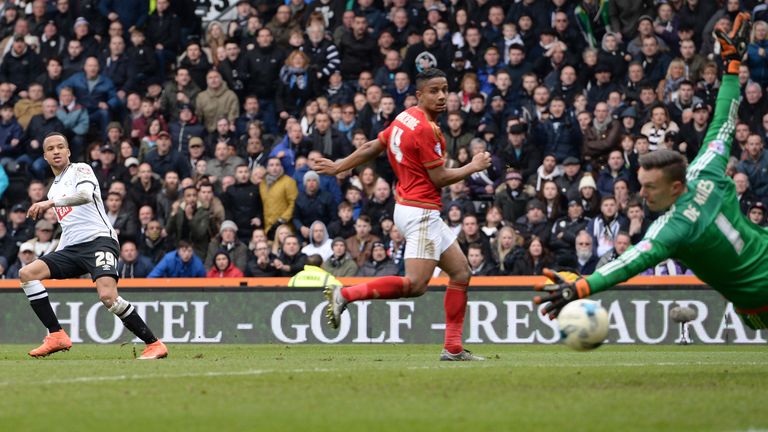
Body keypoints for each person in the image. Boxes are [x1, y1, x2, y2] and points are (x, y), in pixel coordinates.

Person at [536, 15, 768, 331]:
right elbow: (725, 121)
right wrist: (730, 68)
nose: (642, 194)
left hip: (759, 298)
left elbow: (630, 262)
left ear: (675, 187)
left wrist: (582, 287)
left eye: (649, 187)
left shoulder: (673, 229)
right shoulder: (705, 170)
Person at [316, 68, 492, 361]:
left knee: (461, 272)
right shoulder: (428, 129)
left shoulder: (405, 116)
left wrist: (340, 166)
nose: (441, 96)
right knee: (414, 285)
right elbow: (438, 177)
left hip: (413, 208)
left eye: (445, 89)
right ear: (419, 95)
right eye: (434, 91)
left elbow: (376, 144)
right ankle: (344, 294)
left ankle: (452, 348)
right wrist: (472, 167)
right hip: (420, 211)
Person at [20, 132, 167, 359]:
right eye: (51, 149)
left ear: (68, 151)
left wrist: (51, 202)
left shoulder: (81, 169)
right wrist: (56, 255)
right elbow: (70, 227)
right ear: (45, 156)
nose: (56, 151)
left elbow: (86, 195)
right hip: (73, 248)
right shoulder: (53, 188)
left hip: (100, 241)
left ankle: (154, 344)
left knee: (108, 297)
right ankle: (56, 334)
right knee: (28, 273)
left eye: (61, 147)